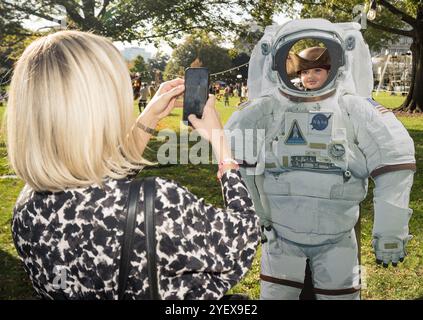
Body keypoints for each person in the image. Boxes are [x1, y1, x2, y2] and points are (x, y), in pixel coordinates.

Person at [6, 30, 260, 300]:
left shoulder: (25, 209)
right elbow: (242, 235)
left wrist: (149, 116)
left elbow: (103, 176)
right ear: (100, 105)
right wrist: (221, 145)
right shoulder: (156, 203)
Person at [225, 19, 416, 300]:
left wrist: (390, 230)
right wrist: (255, 217)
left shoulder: (351, 106)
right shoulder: (270, 108)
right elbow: (237, 162)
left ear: (334, 68)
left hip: (337, 233)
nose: (311, 77)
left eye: (318, 70)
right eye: (305, 71)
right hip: (281, 232)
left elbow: (394, 159)